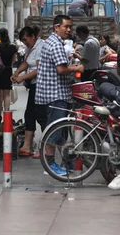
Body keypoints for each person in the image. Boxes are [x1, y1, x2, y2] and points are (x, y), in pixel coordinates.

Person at [35, 15, 84, 175]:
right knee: (55, 131)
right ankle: (49, 165)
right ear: (56, 27)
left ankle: (65, 162)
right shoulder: (55, 44)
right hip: (55, 94)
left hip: (57, 93)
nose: (69, 30)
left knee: (61, 132)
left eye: (70, 26)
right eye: (66, 27)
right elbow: (61, 69)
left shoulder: (53, 42)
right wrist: (76, 68)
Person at [12, 26, 46, 158]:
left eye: (26, 40)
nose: (25, 43)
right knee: (30, 114)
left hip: (41, 85)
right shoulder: (31, 48)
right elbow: (26, 63)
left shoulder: (41, 47)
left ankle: (46, 147)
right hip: (33, 85)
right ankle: (27, 145)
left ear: (33, 36)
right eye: (23, 41)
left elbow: (39, 69)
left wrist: (22, 77)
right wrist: (16, 72)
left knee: (41, 115)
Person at [0, 28, 17, 121]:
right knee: (7, 94)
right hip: (7, 70)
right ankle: (7, 113)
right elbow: (14, 60)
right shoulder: (12, 47)